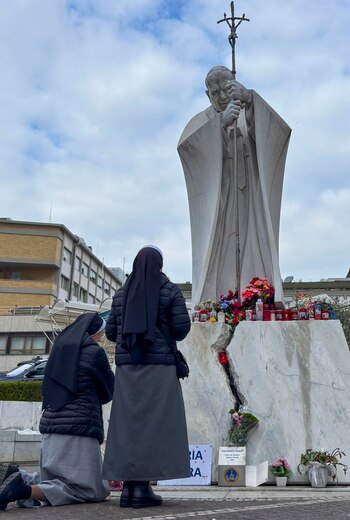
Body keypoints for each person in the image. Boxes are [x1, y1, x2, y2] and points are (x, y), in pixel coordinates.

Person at [178, 66, 291, 305]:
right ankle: (218, 299)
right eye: (214, 92)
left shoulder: (246, 108)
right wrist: (218, 125)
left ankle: (257, 295)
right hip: (220, 198)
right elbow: (188, 150)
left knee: (254, 238)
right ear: (207, 94)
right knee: (221, 245)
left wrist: (250, 100)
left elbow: (278, 133)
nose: (220, 97)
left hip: (250, 195)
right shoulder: (202, 120)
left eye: (225, 90)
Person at [0, 313, 114, 513]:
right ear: (95, 332)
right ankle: (21, 489)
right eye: (101, 331)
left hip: (51, 428)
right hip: (79, 430)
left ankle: (20, 477)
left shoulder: (59, 349)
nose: (102, 335)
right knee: (89, 490)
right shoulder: (94, 352)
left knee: (54, 478)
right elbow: (109, 390)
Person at [102, 246, 191, 509]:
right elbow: (181, 328)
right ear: (160, 265)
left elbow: (110, 333)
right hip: (159, 368)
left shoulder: (121, 294)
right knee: (156, 427)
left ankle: (129, 489)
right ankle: (142, 488)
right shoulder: (170, 290)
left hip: (128, 369)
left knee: (127, 426)